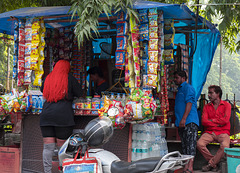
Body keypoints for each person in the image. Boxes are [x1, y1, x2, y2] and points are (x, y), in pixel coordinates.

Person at [40, 60, 82, 173]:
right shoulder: (70, 78)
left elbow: (42, 90)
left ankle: (47, 171)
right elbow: (79, 93)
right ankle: (62, 170)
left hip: (47, 115)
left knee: (48, 148)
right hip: (63, 116)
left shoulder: (47, 78)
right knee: (61, 148)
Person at [197, 85, 231, 172]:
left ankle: (210, 164)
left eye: (211, 93)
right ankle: (214, 163)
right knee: (199, 144)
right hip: (210, 132)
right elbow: (204, 121)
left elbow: (225, 120)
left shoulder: (227, 105)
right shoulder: (206, 107)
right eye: (209, 93)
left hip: (223, 132)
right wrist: (218, 123)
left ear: (218, 94)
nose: (209, 95)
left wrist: (212, 121)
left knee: (225, 146)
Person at [174, 70, 199, 173]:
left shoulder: (188, 88)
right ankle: (186, 167)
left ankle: (190, 167)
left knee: (190, 145)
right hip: (182, 122)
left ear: (183, 78)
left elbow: (189, 103)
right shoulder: (179, 90)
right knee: (184, 145)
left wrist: (184, 118)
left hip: (189, 121)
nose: (175, 80)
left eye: (177, 78)